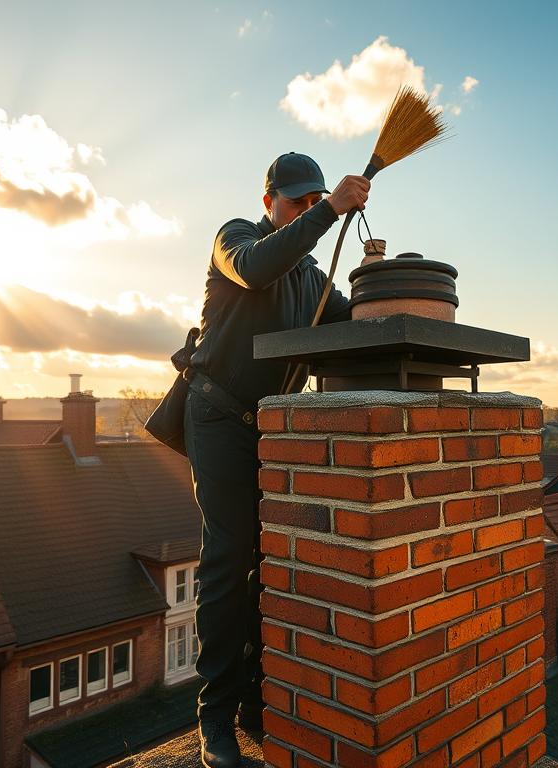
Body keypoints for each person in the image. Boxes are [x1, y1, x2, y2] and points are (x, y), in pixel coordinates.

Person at [185, 152, 369, 768]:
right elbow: (257, 267)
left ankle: (260, 706)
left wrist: (384, 282)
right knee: (229, 555)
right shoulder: (235, 238)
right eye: (298, 202)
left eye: (315, 201)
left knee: (271, 560)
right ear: (270, 203)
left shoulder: (314, 279)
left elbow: (357, 324)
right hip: (216, 417)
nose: (308, 211)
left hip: (270, 427)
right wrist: (332, 211)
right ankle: (215, 717)